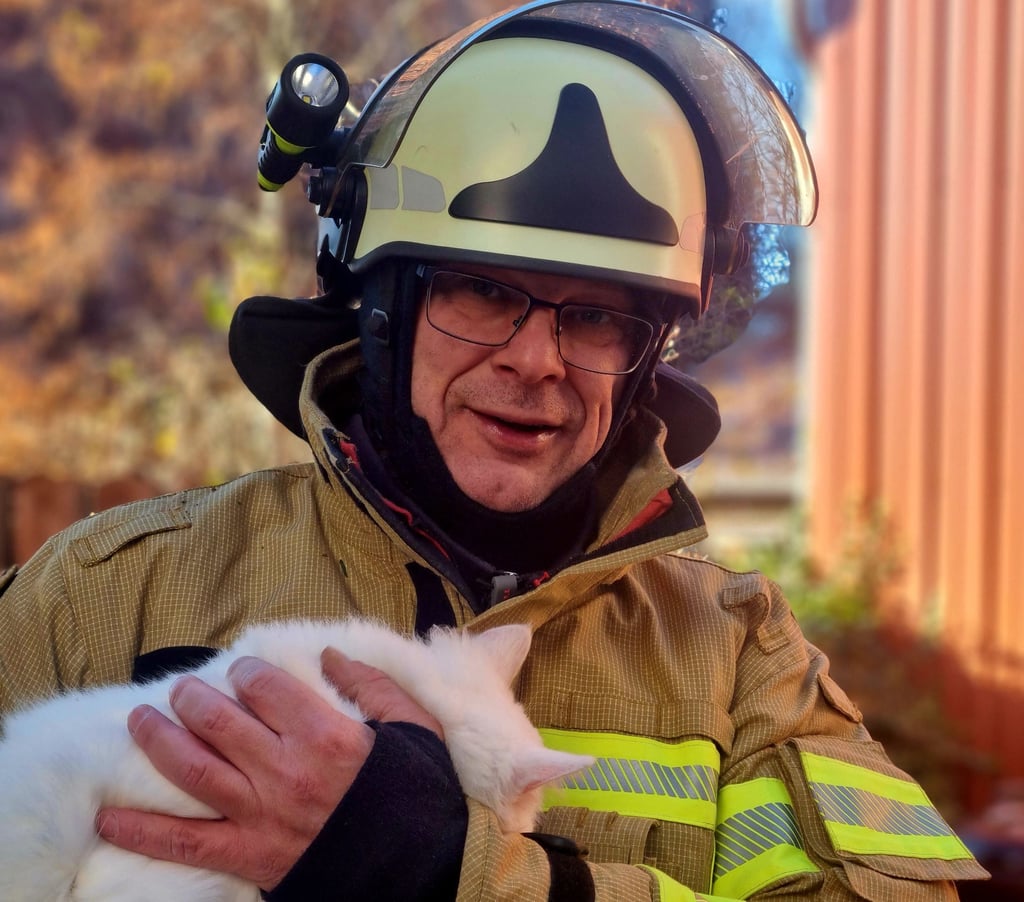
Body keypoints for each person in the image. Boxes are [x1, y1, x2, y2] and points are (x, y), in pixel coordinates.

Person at [0, 1, 987, 899]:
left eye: (596, 316)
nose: (536, 361)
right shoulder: (103, 592)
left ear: (644, 363)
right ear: (383, 312)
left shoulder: (737, 658)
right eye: (481, 290)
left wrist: (457, 871)